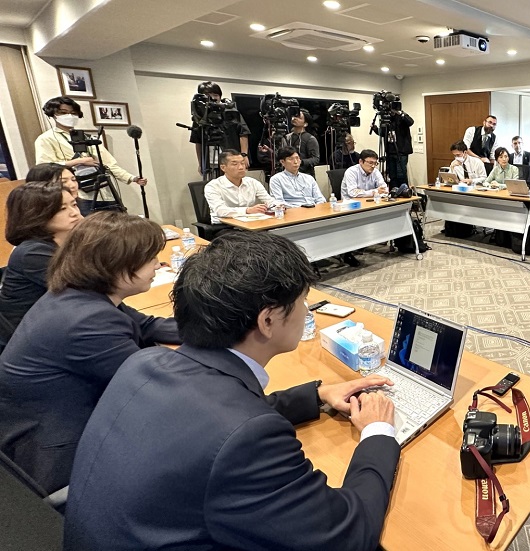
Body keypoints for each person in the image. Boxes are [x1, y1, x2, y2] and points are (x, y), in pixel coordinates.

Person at [63, 231, 399, 550]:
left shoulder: (145, 363)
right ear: (267, 321)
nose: (307, 312)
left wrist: (316, 395)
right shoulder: (249, 439)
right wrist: (378, 431)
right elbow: (347, 535)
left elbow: (215, 419)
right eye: (302, 302)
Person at [0, 212, 180, 494]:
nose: (158, 264)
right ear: (118, 265)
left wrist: (213, 331)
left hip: (57, 422)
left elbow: (144, 325)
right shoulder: (88, 321)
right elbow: (156, 389)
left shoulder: (79, 294)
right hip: (62, 452)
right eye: (151, 259)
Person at [0, 181, 82, 346]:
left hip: (56, 330)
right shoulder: (31, 252)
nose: (74, 213)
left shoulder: (69, 243)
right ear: (36, 214)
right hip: (26, 343)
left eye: (74, 204)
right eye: (62, 209)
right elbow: (89, 290)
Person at [34, 96, 147, 214]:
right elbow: (43, 168)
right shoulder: (46, 139)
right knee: (90, 230)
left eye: (73, 113)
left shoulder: (88, 137)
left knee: (118, 227)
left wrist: (132, 178)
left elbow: (108, 163)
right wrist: (78, 161)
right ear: (52, 114)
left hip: (105, 192)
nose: (69, 116)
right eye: (63, 112)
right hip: (79, 195)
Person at [190, 81, 250, 174]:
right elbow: (198, 141)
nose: (213, 98)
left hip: (231, 159)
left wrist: (244, 155)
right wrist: (201, 163)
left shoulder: (231, 111)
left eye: (215, 95)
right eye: (207, 95)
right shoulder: (199, 116)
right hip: (210, 161)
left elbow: (243, 133)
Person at [204, 149, 277, 223]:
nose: (241, 167)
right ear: (223, 168)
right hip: (225, 226)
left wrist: (277, 206)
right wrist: (248, 210)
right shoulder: (213, 186)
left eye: (243, 163)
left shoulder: (252, 182)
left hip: (250, 223)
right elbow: (221, 211)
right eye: (235, 164)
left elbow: (269, 200)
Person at [259, 109, 321, 176]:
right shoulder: (287, 137)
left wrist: (300, 162)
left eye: (299, 118)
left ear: (305, 124)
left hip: (305, 175)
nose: (295, 118)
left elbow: (315, 159)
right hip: (288, 175)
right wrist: (269, 150)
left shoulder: (310, 139)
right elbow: (282, 155)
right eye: (294, 116)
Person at [379, 109, 414, 186]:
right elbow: (383, 133)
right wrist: (375, 129)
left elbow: (411, 122)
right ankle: (394, 192)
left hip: (401, 151)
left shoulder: (401, 117)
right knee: (392, 176)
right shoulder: (386, 118)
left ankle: (404, 192)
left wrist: (400, 112)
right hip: (390, 151)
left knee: (401, 174)